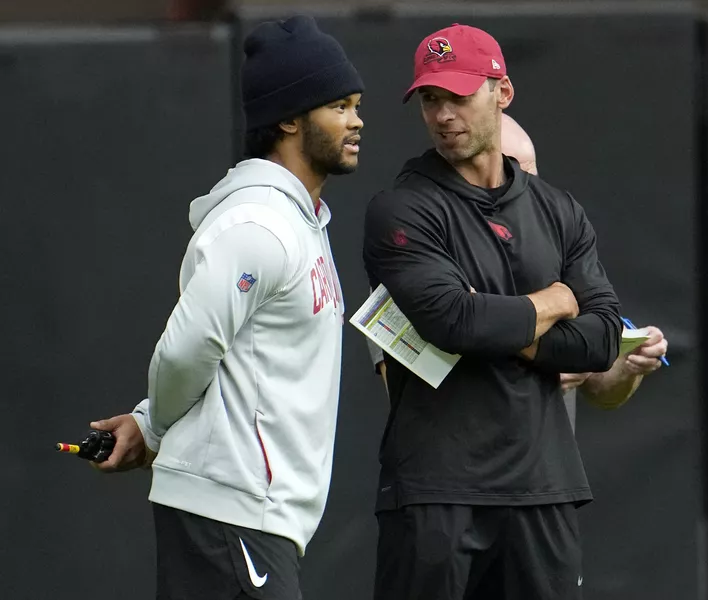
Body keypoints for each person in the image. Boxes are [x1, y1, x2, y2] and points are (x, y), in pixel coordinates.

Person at [86, 16, 364, 600]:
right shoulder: (258, 223)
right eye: (338, 106)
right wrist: (155, 425)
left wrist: (145, 422)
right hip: (232, 514)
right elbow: (186, 349)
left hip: (256, 520)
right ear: (289, 117)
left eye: (355, 105)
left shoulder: (299, 220)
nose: (357, 121)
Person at [362, 23, 625, 600]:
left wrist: (497, 323)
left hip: (543, 489)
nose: (443, 113)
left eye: (458, 94)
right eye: (431, 98)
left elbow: (602, 338)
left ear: (501, 92)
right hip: (437, 490)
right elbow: (453, 323)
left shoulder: (559, 210)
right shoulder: (401, 210)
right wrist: (553, 303)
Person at [500, 113, 669, 428]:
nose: (528, 192)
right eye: (512, 174)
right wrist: (538, 370)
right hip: (460, 473)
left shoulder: (559, 249)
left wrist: (628, 366)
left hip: (551, 474)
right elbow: (414, 399)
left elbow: (600, 389)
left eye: (532, 175)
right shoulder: (419, 254)